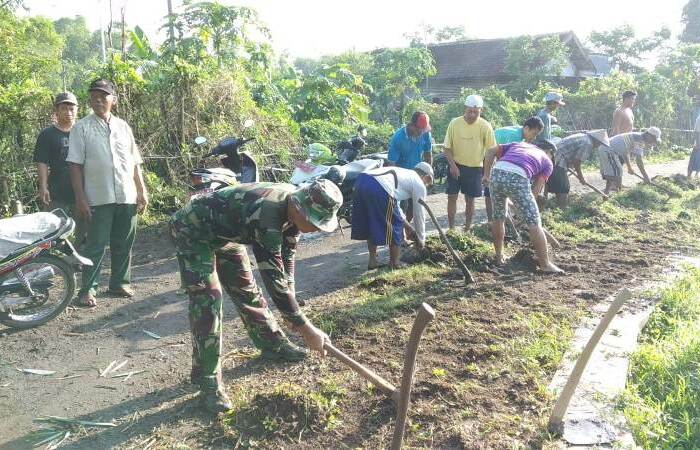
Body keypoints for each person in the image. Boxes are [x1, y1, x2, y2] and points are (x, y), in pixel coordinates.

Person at [169, 179, 340, 412]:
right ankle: (207, 382)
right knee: (208, 300)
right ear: (300, 209)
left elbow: (285, 260)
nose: (317, 228)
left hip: (227, 233)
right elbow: (273, 280)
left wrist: (291, 310)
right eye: (316, 222)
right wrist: (305, 328)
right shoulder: (267, 217)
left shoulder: (292, 213)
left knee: (245, 288)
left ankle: (272, 343)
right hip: (193, 230)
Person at [67, 79, 149, 307]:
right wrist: (80, 198)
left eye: (103, 96)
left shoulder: (123, 127)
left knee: (124, 242)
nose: (98, 100)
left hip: (127, 195)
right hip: (98, 197)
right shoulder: (81, 128)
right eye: (94, 96)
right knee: (95, 245)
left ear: (113, 99)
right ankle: (87, 290)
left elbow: (135, 162)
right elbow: (74, 165)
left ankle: (120, 283)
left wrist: (141, 190)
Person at [482, 141, 563, 273]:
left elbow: (490, 151)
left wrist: (486, 174)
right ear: (549, 152)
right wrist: (528, 213)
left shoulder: (518, 145)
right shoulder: (547, 162)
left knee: (498, 217)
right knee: (535, 223)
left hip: (496, 173)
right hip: (518, 176)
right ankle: (545, 264)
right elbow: (535, 191)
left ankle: (499, 257)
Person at [351, 162, 433, 269]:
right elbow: (419, 213)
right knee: (395, 225)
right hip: (379, 187)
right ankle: (394, 263)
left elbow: (396, 208)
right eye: (428, 182)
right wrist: (421, 240)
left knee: (370, 221)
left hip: (361, 181)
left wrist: (409, 228)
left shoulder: (404, 174)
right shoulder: (419, 183)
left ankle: (373, 261)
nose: (426, 185)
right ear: (426, 177)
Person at [33, 92, 85, 242]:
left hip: (82, 191)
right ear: (57, 110)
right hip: (56, 191)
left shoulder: (83, 131)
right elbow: (42, 162)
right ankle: (49, 260)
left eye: (71, 108)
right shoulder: (47, 134)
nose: (68, 112)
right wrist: (43, 187)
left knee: (84, 231)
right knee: (50, 230)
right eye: (64, 108)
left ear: (77, 109)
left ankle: (79, 263)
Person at [444, 94, 496, 230]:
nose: (472, 115)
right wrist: (453, 166)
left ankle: (467, 228)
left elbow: (491, 151)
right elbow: (447, 148)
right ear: (464, 109)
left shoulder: (485, 126)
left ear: (481, 111)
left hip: (475, 168)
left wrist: (487, 173)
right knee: (452, 197)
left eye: (476, 112)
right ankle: (451, 228)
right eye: (469, 111)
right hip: (455, 165)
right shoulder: (454, 123)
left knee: (470, 199)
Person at [547, 130, 610, 208]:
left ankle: (555, 206)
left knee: (560, 184)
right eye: (600, 143)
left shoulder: (583, 137)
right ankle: (562, 208)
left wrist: (570, 165)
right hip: (558, 159)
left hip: (553, 156)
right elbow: (577, 162)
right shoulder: (588, 143)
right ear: (596, 140)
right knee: (564, 187)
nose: (598, 146)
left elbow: (574, 159)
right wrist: (581, 178)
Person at [599, 127, 661, 194]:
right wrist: (646, 177)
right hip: (608, 150)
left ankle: (615, 189)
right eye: (654, 139)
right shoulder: (639, 139)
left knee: (616, 171)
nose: (653, 142)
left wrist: (629, 167)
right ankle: (615, 192)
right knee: (617, 171)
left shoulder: (638, 136)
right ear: (649, 135)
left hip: (607, 148)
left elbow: (625, 153)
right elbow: (639, 161)